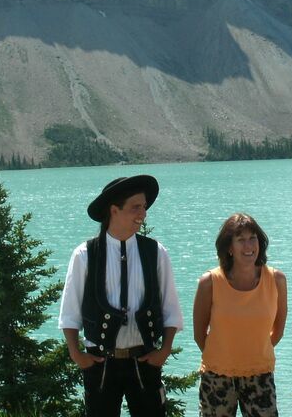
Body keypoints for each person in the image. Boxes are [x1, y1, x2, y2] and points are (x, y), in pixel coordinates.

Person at [59, 175, 183, 417]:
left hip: (144, 359)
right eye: (136, 207)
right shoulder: (85, 254)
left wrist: (164, 350)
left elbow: (171, 308)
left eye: (144, 207)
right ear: (114, 210)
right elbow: (70, 312)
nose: (143, 213)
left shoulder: (156, 253)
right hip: (100, 364)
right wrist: (77, 354)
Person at [193, 213, 288, 417]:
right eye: (241, 240)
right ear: (229, 247)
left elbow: (278, 330)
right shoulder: (209, 282)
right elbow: (199, 335)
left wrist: (254, 354)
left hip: (260, 375)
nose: (248, 246)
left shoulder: (276, 280)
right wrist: (224, 358)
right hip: (217, 376)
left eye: (253, 238)